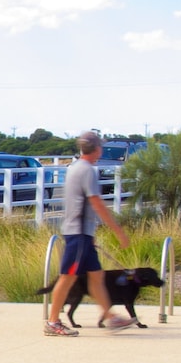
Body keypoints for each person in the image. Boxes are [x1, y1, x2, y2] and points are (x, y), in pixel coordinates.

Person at [45, 131, 137, 336]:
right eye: (100, 147)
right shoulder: (87, 170)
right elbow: (96, 202)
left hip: (82, 233)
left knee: (96, 276)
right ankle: (52, 322)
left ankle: (111, 317)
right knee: (67, 277)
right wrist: (117, 230)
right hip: (77, 234)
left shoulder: (76, 167)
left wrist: (90, 233)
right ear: (96, 149)